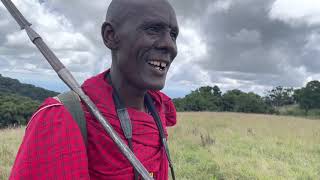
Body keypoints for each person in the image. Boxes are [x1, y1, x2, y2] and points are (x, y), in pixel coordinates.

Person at [9, 0, 179, 179]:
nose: (170, 45)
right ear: (110, 35)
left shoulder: (158, 108)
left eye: (173, 35)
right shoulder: (63, 118)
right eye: (153, 29)